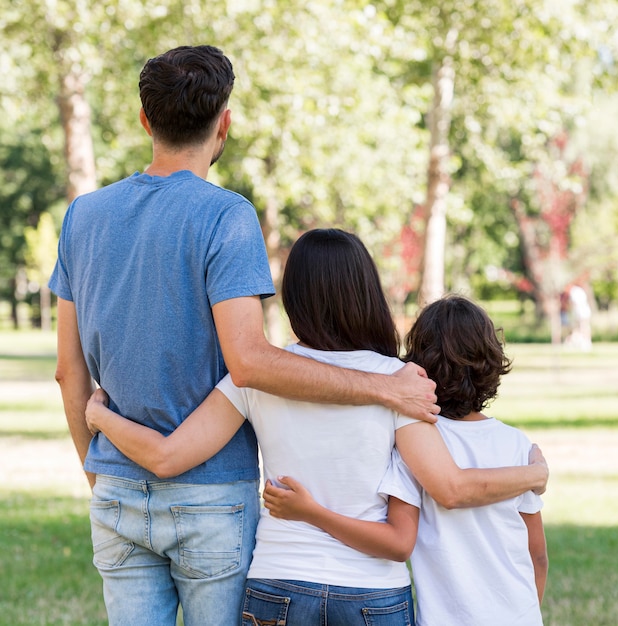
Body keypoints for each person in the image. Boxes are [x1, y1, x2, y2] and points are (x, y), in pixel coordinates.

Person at [48, 47, 440, 626]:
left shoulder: (83, 216)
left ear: (143, 118)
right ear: (224, 121)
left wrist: (98, 470)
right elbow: (250, 361)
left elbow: (68, 371)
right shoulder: (226, 216)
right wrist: (385, 388)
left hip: (117, 486)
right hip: (212, 500)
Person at [85, 231, 549, 625]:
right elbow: (449, 486)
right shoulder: (399, 383)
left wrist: (102, 416)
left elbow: (168, 457)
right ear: (366, 291)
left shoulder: (262, 377)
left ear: (294, 297)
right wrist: (532, 475)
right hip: (370, 594)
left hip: (278, 585)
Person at [266, 295, 549, 626]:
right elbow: (538, 554)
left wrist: (310, 511)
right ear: (491, 362)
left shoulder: (415, 440)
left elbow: (399, 536)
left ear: (418, 363)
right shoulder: (518, 446)